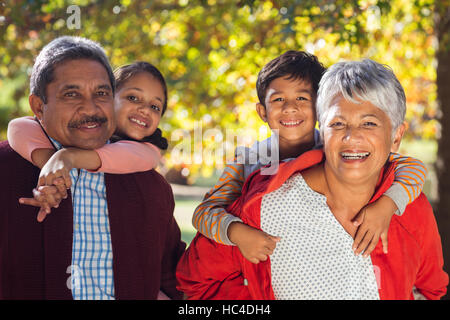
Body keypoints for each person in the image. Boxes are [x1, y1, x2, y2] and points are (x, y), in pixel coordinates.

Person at [176, 59, 448, 300]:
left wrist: (391, 202)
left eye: (368, 123)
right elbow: (199, 269)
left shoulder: (410, 207)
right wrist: (236, 233)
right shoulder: (258, 193)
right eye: (338, 123)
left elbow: (430, 289)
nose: (351, 137)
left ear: (396, 136)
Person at [0, 36, 185, 300]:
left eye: (101, 93)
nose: (91, 108)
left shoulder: (150, 185)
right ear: (39, 106)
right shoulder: (5, 169)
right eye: (72, 94)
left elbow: (171, 274)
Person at [7, 61, 169, 222]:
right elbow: (18, 126)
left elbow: (126, 155)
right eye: (133, 97)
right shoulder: (83, 127)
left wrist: (68, 157)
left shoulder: (149, 151)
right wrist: (51, 168)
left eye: (155, 107)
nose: (145, 109)